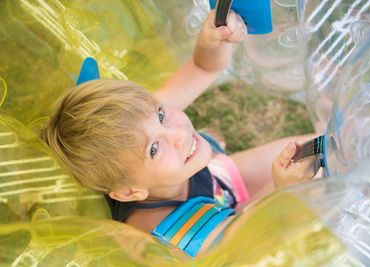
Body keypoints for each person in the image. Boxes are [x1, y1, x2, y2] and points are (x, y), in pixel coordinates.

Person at [41, 10, 317, 257]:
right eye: (154, 149)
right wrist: (285, 189)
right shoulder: (165, 236)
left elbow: (202, 68)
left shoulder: (139, 127)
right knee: (311, 182)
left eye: (161, 114)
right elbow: (254, 244)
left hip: (217, 180)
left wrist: (213, 41)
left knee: (313, 150)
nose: (178, 132)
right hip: (231, 233)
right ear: (129, 192)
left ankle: (215, 146)